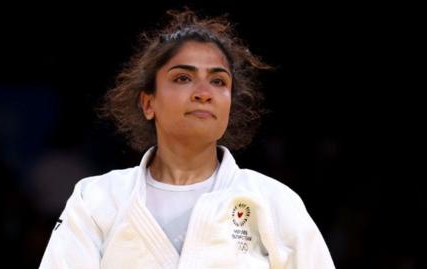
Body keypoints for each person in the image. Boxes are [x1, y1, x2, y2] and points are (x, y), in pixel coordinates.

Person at [39, 8, 335, 269]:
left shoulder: (273, 202)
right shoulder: (96, 199)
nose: (204, 93)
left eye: (219, 81)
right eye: (183, 78)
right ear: (148, 103)